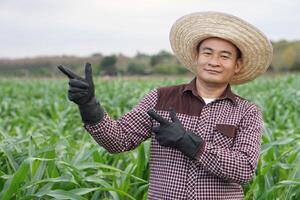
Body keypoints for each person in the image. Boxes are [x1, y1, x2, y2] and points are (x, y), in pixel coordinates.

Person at [58, 11, 273, 199]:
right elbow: (118, 141)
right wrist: (89, 106)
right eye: (207, 52)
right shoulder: (161, 98)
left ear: (237, 65)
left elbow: (244, 170)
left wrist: (191, 143)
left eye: (224, 56)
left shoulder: (247, 111)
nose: (214, 62)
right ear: (196, 57)